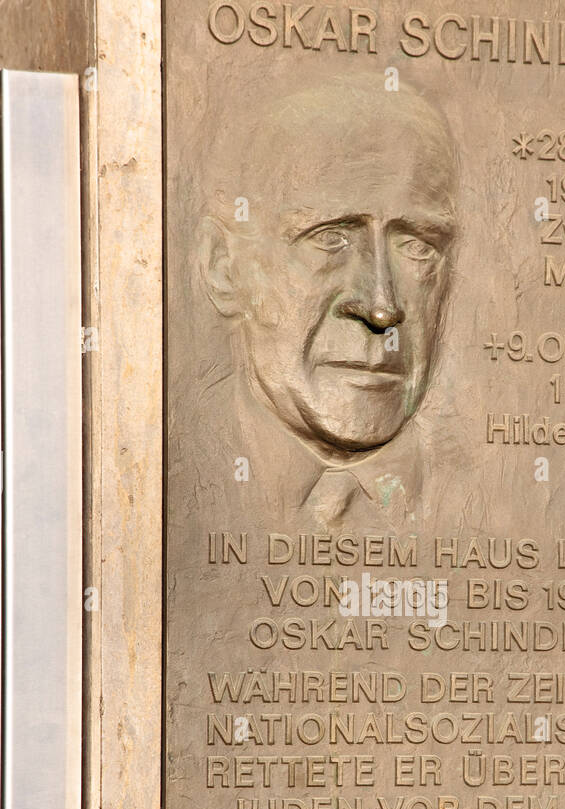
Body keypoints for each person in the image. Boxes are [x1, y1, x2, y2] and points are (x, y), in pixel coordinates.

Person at [193, 74, 458, 530]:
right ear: (224, 267)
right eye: (330, 238)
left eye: (416, 246)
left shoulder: (523, 496)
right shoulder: (174, 471)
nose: (380, 307)